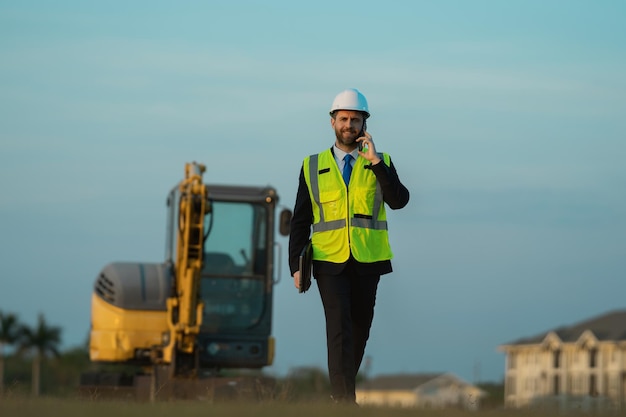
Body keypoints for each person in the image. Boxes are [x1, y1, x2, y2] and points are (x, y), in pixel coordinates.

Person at [288, 88, 410, 403]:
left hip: (369, 259)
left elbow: (399, 201)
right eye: (343, 118)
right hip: (329, 260)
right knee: (339, 325)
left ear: (364, 125)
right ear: (332, 122)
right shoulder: (311, 166)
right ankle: (344, 401)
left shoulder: (381, 162)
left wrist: (375, 163)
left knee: (359, 328)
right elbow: (300, 220)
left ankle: (340, 393)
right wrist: (295, 267)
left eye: (355, 119)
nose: (349, 125)